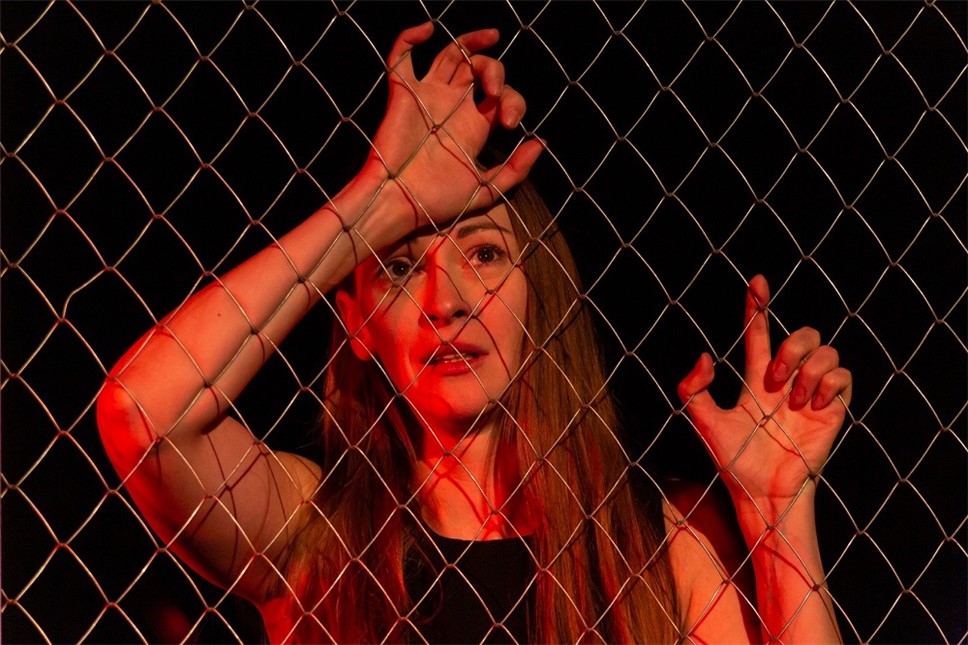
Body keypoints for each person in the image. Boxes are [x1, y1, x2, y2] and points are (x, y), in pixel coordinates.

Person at [97, 23, 852, 643]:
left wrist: (778, 513)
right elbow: (143, 413)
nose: (446, 300)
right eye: (399, 268)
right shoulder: (310, 530)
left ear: (537, 298)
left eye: (484, 254)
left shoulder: (657, 541)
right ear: (357, 325)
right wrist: (377, 203)